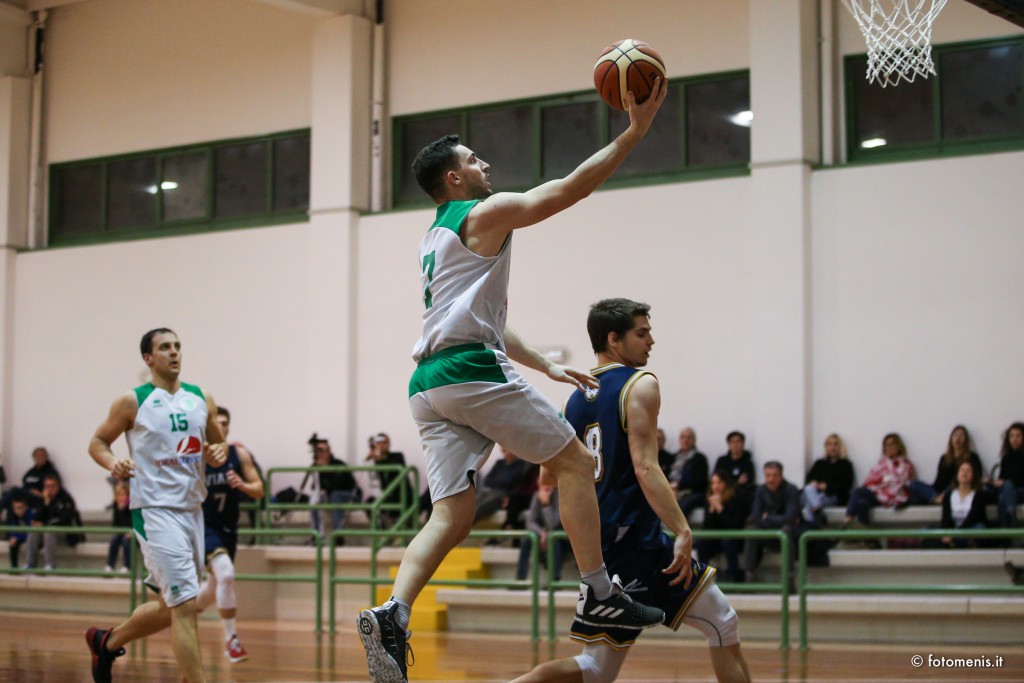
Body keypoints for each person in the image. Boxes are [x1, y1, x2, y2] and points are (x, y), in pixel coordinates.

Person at [358, 83, 669, 683]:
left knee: (451, 514)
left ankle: (392, 613)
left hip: (427, 382)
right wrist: (634, 132)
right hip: (468, 370)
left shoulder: (433, 237)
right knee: (578, 464)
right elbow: (565, 191)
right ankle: (599, 590)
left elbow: (482, 321)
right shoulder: (485, 213)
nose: (485, 165)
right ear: (454, 180)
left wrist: (546, 365)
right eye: (474, 160)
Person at [512, 298, 750, 683]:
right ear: (614, 339)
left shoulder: (572, 400)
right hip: (638, 540)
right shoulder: (641, 383)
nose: (651, 341)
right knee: (722, 623)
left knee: (595, 669)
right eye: (642, 333)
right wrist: (683, 529)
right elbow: (645, 466)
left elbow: (547, 478)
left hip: (599, 548)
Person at [84, 327, 228, 683]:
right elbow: (98, 442)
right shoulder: (133, 401)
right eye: (165, 347)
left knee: (169, 609)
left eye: (177, 346)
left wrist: (217, 452)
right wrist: (112, 462)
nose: (174, 353)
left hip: (193, 511)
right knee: (184, 609)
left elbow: (219, 446)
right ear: (148, 358)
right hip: (154, 510)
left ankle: (107, 642)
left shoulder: (201, 397)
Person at [195, 405, 264, 663]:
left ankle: (187, 613)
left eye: (224, 423)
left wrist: (243, 486)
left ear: (228, 426)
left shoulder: (238, 454)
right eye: (216, 423)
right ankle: (231, 640)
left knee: (216, 583)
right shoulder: (197, 456)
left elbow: (259, 490)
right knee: (226, 573)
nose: (220, 427)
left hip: (228, 529)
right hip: (203, 526)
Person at [743, 462, 801, 582]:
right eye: (768, 475)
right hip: (768, 531)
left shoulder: (791, 489)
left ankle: (790, 578)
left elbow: (791, 517)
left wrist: (768, 518)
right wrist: (774, 519)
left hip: (789, 533)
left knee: (786, 531)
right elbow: (757, 517)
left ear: (781, 476)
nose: (771, 479)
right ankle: (749, 575)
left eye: (774, 475)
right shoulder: (760, 490)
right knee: (751, 531)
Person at [844, 433, 916, 527]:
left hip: (894, 495)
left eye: (892, 444)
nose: (889, 447)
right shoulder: (881, 463)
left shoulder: (906, 464)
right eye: (886, 445)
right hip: (877, 494)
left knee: (857, 492)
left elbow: (901, 482)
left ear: (898, 446)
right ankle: (866, 536)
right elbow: (871, 480)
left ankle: (847, 519)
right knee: (862, 503)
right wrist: (879, 485)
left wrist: (884, 483)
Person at [909, 425, 983, 505]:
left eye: (961, 435)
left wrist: (946, 493)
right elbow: (938, 481)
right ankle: (937, 499)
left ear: (966, 440)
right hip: (937, 490)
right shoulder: (944, 458)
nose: (958, 438)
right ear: (951, 439)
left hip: (956, 489)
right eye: (955, 435)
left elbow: (975, 478)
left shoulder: (972, 457)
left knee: (955, 485)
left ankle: (939, 499)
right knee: (912, 484)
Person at [302, 437, 360, 538]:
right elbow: (316, 488)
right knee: (314, 500)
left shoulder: (338, 464)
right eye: (317, 451)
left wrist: (326, 470)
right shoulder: (316, 467)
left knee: (335, 496)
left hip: (350, 495)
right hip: (331, 497)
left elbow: (338, 486)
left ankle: (338, 534)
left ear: (329, 451)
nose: (320, 454)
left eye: (322, 450)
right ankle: (316, 535)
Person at [694, 472, 746, 583]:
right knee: (702, 543)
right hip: (716, 538)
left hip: (735, 538)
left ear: (726, 484)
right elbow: (707, 529)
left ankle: (734, 577)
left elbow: (734, 525)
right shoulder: (710, 499)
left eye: (719, 482)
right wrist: (712, 511)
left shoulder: (737, 498)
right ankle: (703, 577)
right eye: (713, 483)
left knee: (727, 542)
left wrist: (720, 509)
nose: (716, 486)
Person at [23, 474, 83, 570]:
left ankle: (50, 565)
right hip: (47, 531)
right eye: (47, 486)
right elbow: (36, 519)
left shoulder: (66, 498)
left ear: (58, 486)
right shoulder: (44, 499)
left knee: (49, 530)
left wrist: (45, 524)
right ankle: (30, 564)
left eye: (52, 486)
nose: (50, 489)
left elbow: (65, 519)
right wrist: (46, 503)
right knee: (33, 530)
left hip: (66, 533)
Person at [923, 461, 989, 549]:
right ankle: (952, 543)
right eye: (962, 470)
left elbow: (973, 519)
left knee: (979, 529)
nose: (964, 473)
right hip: (952, 532)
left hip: (968, 530)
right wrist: (947, 534)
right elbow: (945, 519)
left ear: (973, 476)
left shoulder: (979, 495)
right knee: (926, 530)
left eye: (968, 471)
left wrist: (955, 534)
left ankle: (952, 543)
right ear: (957, 475)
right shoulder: (948, 495)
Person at [473, 446, 539, 526]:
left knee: (482, 506)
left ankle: (468, 522)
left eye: (508, 450)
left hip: (504, 495)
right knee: (476, 500)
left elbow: (513, 482)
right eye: (504, 450)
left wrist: (499, 482)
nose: (506, 453)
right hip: (492, 492)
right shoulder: (499, 463)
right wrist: (503, 481)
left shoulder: (521, 465)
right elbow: (488, 480)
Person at [515, 483, 567, 583]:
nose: (546, 486)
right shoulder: (536, 496)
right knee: (525, 540)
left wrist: (545, 504)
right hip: (542, 533)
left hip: (559, 534)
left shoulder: (560, 496)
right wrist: (541, 533)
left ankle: (554, 580)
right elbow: (530, 521)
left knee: (554, 539)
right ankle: (520, 578)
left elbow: (554, 524)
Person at [801, 434, 855, 525]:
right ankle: (817, 511)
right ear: (826, 447)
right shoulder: (819, 463)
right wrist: (814, 483)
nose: (832, 447)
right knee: (808, 489)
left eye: (835, 444)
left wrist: (827, 487)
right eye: (830, 445)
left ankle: (811, 527)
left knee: (809, 506)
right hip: (816, 494)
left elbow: (846, 485)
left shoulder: (846, 465)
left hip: (832, 496)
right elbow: (808, 479)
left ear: (840, 447)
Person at [365, 433, 411, 527]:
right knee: (369, 503)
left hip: (400, 494)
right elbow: (371, 477)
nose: (381, 445)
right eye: (378, 442)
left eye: (384, 442)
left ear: (389, 444)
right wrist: (372, 458)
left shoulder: (397, 456)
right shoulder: (375, 460)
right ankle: (380, 530)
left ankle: (398, 526)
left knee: (396, 498)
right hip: (385, 495)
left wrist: (380, 458)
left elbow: (396, 466)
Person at [713, 432, 756, 519]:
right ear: (729, 444)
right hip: (722, 491)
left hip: (739, 493)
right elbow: (716, 477)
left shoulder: (748, 462)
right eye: (733, 442)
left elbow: (747, 481)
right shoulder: (722, 461)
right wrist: (736, 481)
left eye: (738, 441)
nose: (736, 444)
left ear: (743, 444)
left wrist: (733, 483)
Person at [669, 427, 709, 517]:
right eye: (683, 437)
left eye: (689, 437)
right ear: (679, 440)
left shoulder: (700, 458)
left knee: (683, 504)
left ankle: (676, 529)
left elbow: (700, 482)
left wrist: (678, 486)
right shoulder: (672, 457)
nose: (686, 440)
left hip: (693, 492)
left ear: (694, 440)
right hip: (671, 490)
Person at [994, 421, 1024, 527]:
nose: (1014, 439)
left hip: (1021, 490)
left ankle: (1004, 531)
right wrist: (995, 482)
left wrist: (1008, 483)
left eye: (1018, 436)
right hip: (1009, 490)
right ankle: (1011, 515)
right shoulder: (1006, 458)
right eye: (1012, 436)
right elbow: (1002, 478)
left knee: (1005, 493)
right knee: (1005, 491)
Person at [105, 483, 132, 573]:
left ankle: (127, 565)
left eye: (123, 495)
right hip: (121, 533)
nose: (121, 498)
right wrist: (120, 510)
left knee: (126, 541)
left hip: (131, 534)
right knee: (114, 540)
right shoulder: (116, 506)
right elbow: (115, 524)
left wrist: (123, 510)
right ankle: (110, 565)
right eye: (119, 495)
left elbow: (130, 524)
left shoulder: (131, 507)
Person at [6, 494, 34, 568]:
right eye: (16, 508)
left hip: (31, 537)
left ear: (26, 507)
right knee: (12, 543)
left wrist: (17, 537)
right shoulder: (13, 516)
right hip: (21, 536)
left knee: (30, 540)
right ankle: (14, 566)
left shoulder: (30, 515)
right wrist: (13, 536)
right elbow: (13, 528)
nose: (18, 511)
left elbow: (32, 531)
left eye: (21, 508)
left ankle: (31, 565)